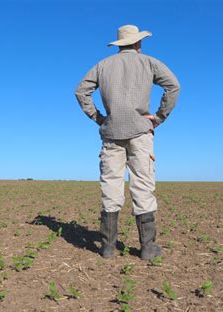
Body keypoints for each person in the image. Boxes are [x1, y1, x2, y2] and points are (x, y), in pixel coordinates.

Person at [75, 24, 180, 260]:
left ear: (119, 44)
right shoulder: (149, 62)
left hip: (111, 133)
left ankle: (108, 248)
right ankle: (147, 248)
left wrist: (99, 118)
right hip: (141, 133)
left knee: (111, 186)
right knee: (142, 185)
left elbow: (81, 91)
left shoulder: (103, 65)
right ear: (138, 43)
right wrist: (159, 117)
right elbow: (173, 86)